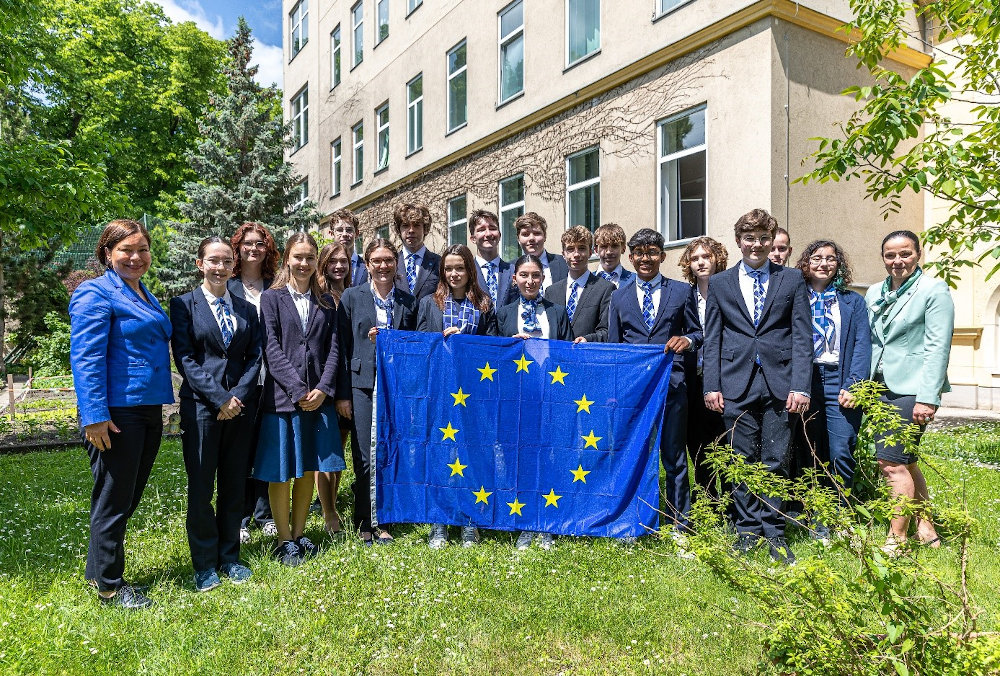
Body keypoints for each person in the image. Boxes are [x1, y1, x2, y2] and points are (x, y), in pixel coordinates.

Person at [70, 219, 174, 609]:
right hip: (116, 413)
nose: (136, 257)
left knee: (126, 496)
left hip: (146, 407)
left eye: (142, 250)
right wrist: (94, 414)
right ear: (107, 253)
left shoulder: (142, 292)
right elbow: (86, 357)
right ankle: (111, 588)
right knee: (113, 499)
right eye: (126, 250)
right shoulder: (95, 292)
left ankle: (98, 570)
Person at [703, 208, 813, 565]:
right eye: (749, 239)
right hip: (735, 383)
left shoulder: (792, 279)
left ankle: (774, 531)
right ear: (739, 242)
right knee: (741, 459)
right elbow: (713, 338)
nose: (757, 245)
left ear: (772, 241)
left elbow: (802, 336)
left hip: (781, 385)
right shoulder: (720, 283)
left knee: (776, 460)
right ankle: (747, 530)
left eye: (764, 239)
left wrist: (801, 385)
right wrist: (711, 385)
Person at [170, 236, 262, 591]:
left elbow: (255, 356)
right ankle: (205, 564)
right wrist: (219, 398)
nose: (220, 267)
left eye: (226, 261)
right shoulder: (183, 305)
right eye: (213, 260)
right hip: (201, 409)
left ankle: (230, 558)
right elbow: (186, 358)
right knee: (201, 488)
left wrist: (236, 397)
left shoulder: (246, 309)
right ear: (200, 264)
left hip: (240, 409)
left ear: (233, 266)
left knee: (233, 485)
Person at [253, 232, 344, 566]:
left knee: (307, 468)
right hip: (283, 399)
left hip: (318, 399)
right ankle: (282, 538)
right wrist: (297, 388)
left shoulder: (327, 301)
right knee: (281, 471)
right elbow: (271, 348)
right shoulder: (271, 299)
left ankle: (300, 532)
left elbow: (335, 349)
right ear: (286, 259)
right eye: (298, 257)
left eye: (309, 258)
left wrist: (323, 389)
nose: (303, 264)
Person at [608, 228, 700, 554]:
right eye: (639, 253)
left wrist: (688, 341)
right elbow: (614, 348)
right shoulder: (618, 297)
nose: (645, 258)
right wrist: (616, 391)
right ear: (630, 257)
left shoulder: (681, 292)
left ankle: (680, 525)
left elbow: (697, 333)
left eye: (652, 252)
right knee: (635, 457)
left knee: (674, 459)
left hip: (672, 387)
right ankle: (634, 521)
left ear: (662, 256)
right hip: (634, 393)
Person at [866, 230, 953, 554]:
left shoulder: (933, 290)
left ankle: (896, 539)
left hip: (913, 388)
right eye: (890, 255)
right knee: (906, 459)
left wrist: (928, 396)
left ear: (918, 254)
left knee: (891, 463)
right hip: (880, 385)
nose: (897, 261)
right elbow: (872, 341)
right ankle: (926, 527)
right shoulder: (875, 291)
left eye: (905, 254)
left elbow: (937, 346)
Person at [336, 238, 418, 545]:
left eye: (388, 260)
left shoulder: (408, 301)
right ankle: (364, 522)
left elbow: (414, 346)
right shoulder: (352, 296)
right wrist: (342, 394)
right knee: (364, 456)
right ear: (367, 264)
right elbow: (341, 346)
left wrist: (393, 340)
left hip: (395, 387)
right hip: (361, 384)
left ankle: (384, 521)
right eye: (376, 261)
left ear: (396, 264)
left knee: (387, 452)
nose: (383, 266)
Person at [417, 244, 498, 548]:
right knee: (442, 453)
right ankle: (440, 521)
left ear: (470, 271)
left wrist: (469, 344)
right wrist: (441, 340)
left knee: (472, 454)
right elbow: (420, 345)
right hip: (440, 391)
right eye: (448, 268)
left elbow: (493, 349)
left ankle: (470, 520)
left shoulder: (484, 304)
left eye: (460, 268)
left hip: (474, 394)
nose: (454, 274)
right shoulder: (430, 304)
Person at [793, 240, 871, 541]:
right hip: (806, 379)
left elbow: (863, 346)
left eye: (830, 258)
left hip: (840, 378)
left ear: (839, 264)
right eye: (816, 258)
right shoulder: (795, 298)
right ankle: (815, 518)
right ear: (805, 264)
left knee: (842, 450)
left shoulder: (852, 302)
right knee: (810, 451)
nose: (824, 263)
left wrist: (854, 384)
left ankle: (841, 517)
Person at [497, 254, 572, 551]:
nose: (530, 281)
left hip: (551, 397)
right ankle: (525, 522)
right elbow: (490, 358)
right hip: (516, 399)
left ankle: (547, 523)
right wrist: (509, 347)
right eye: (524, 275)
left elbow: (568, 352)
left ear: (543, 279)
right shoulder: (503, 314)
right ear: (514, 278)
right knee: (521, 460)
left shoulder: (557, 312)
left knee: (549, 458)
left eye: (535, 276)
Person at [677, 237, 729, 503]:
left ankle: (732, 505)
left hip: (727, 379)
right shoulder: (684, 295)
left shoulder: (731, 289)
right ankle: (707, 502)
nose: (701, 262)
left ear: (717, 258)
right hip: (693, 379)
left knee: (727, 443)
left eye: (706, 256)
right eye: (695, 258)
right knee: (698, 444)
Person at [315, 242, 353, 537]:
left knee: (338, 453)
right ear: (324, 264)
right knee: (327, 452)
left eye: (344, 261)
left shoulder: (350, 294)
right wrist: (337, 391)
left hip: (350, 381)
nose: (339, 266)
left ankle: (333, 502)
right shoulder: (322, 298)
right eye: (333, 261)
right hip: (329, 384)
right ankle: (328, 511)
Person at [544, 225, 613, 343]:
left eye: (581, 248)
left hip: (587, 356)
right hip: (557, 358)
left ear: (590, 252)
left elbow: (607, 330)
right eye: (570, 249)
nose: (576, 255)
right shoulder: (551, 291)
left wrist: (588, 339)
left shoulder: (605, 289)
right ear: (563, 254)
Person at [393, 202, 441, 302]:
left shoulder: (439, 263)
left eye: (416, 225)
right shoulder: (391, 263)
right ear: (398, 230)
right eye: (405, 225)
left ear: (425, 229)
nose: (411, 230)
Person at [514, 212, 568, 295]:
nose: (531, 238)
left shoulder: (564, 263)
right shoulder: (510, 269)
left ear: (545, 236)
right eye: (525, 234)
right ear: (518, 239)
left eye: (536, 233)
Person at [469, 209, 514, 309]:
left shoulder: (513, 271)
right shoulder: (466, 272)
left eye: (493, 228)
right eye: (481, 230)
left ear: (499, 235)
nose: (488, 234)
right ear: (473, 239)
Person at [321, 208, 368, 287]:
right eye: (339, 230)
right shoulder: (324, 267)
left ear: (356, 233)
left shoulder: (367, 268)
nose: (344, 234)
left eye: (349, 230)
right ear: (332, 234)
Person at [593, 223, 635, 288]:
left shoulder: (635, 281)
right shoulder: (587, 281)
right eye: (604, 246)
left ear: (623, 248)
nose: (609, 252)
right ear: (596, 250)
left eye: (614, 246)